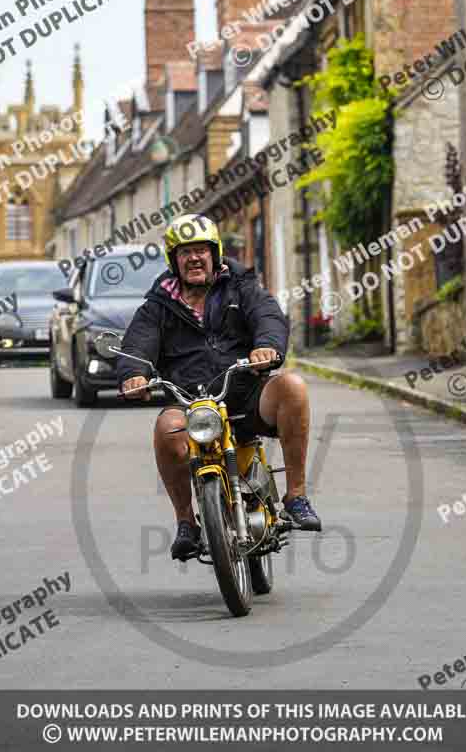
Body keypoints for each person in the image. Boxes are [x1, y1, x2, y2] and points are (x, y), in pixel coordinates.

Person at [118, 214, 322, 560]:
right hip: (189, 403)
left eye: (201, 250)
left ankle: (296, 496)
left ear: (215, 254)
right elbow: (137, 343)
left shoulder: (242, 287)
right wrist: (133, 372)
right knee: (167, 429)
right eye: (185, 252)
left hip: (244, 395)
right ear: (174, 260)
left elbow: (268, 316)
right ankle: (186, 522)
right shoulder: (157, 306)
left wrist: (267, 346)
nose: (194, 258)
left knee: (294, 388)